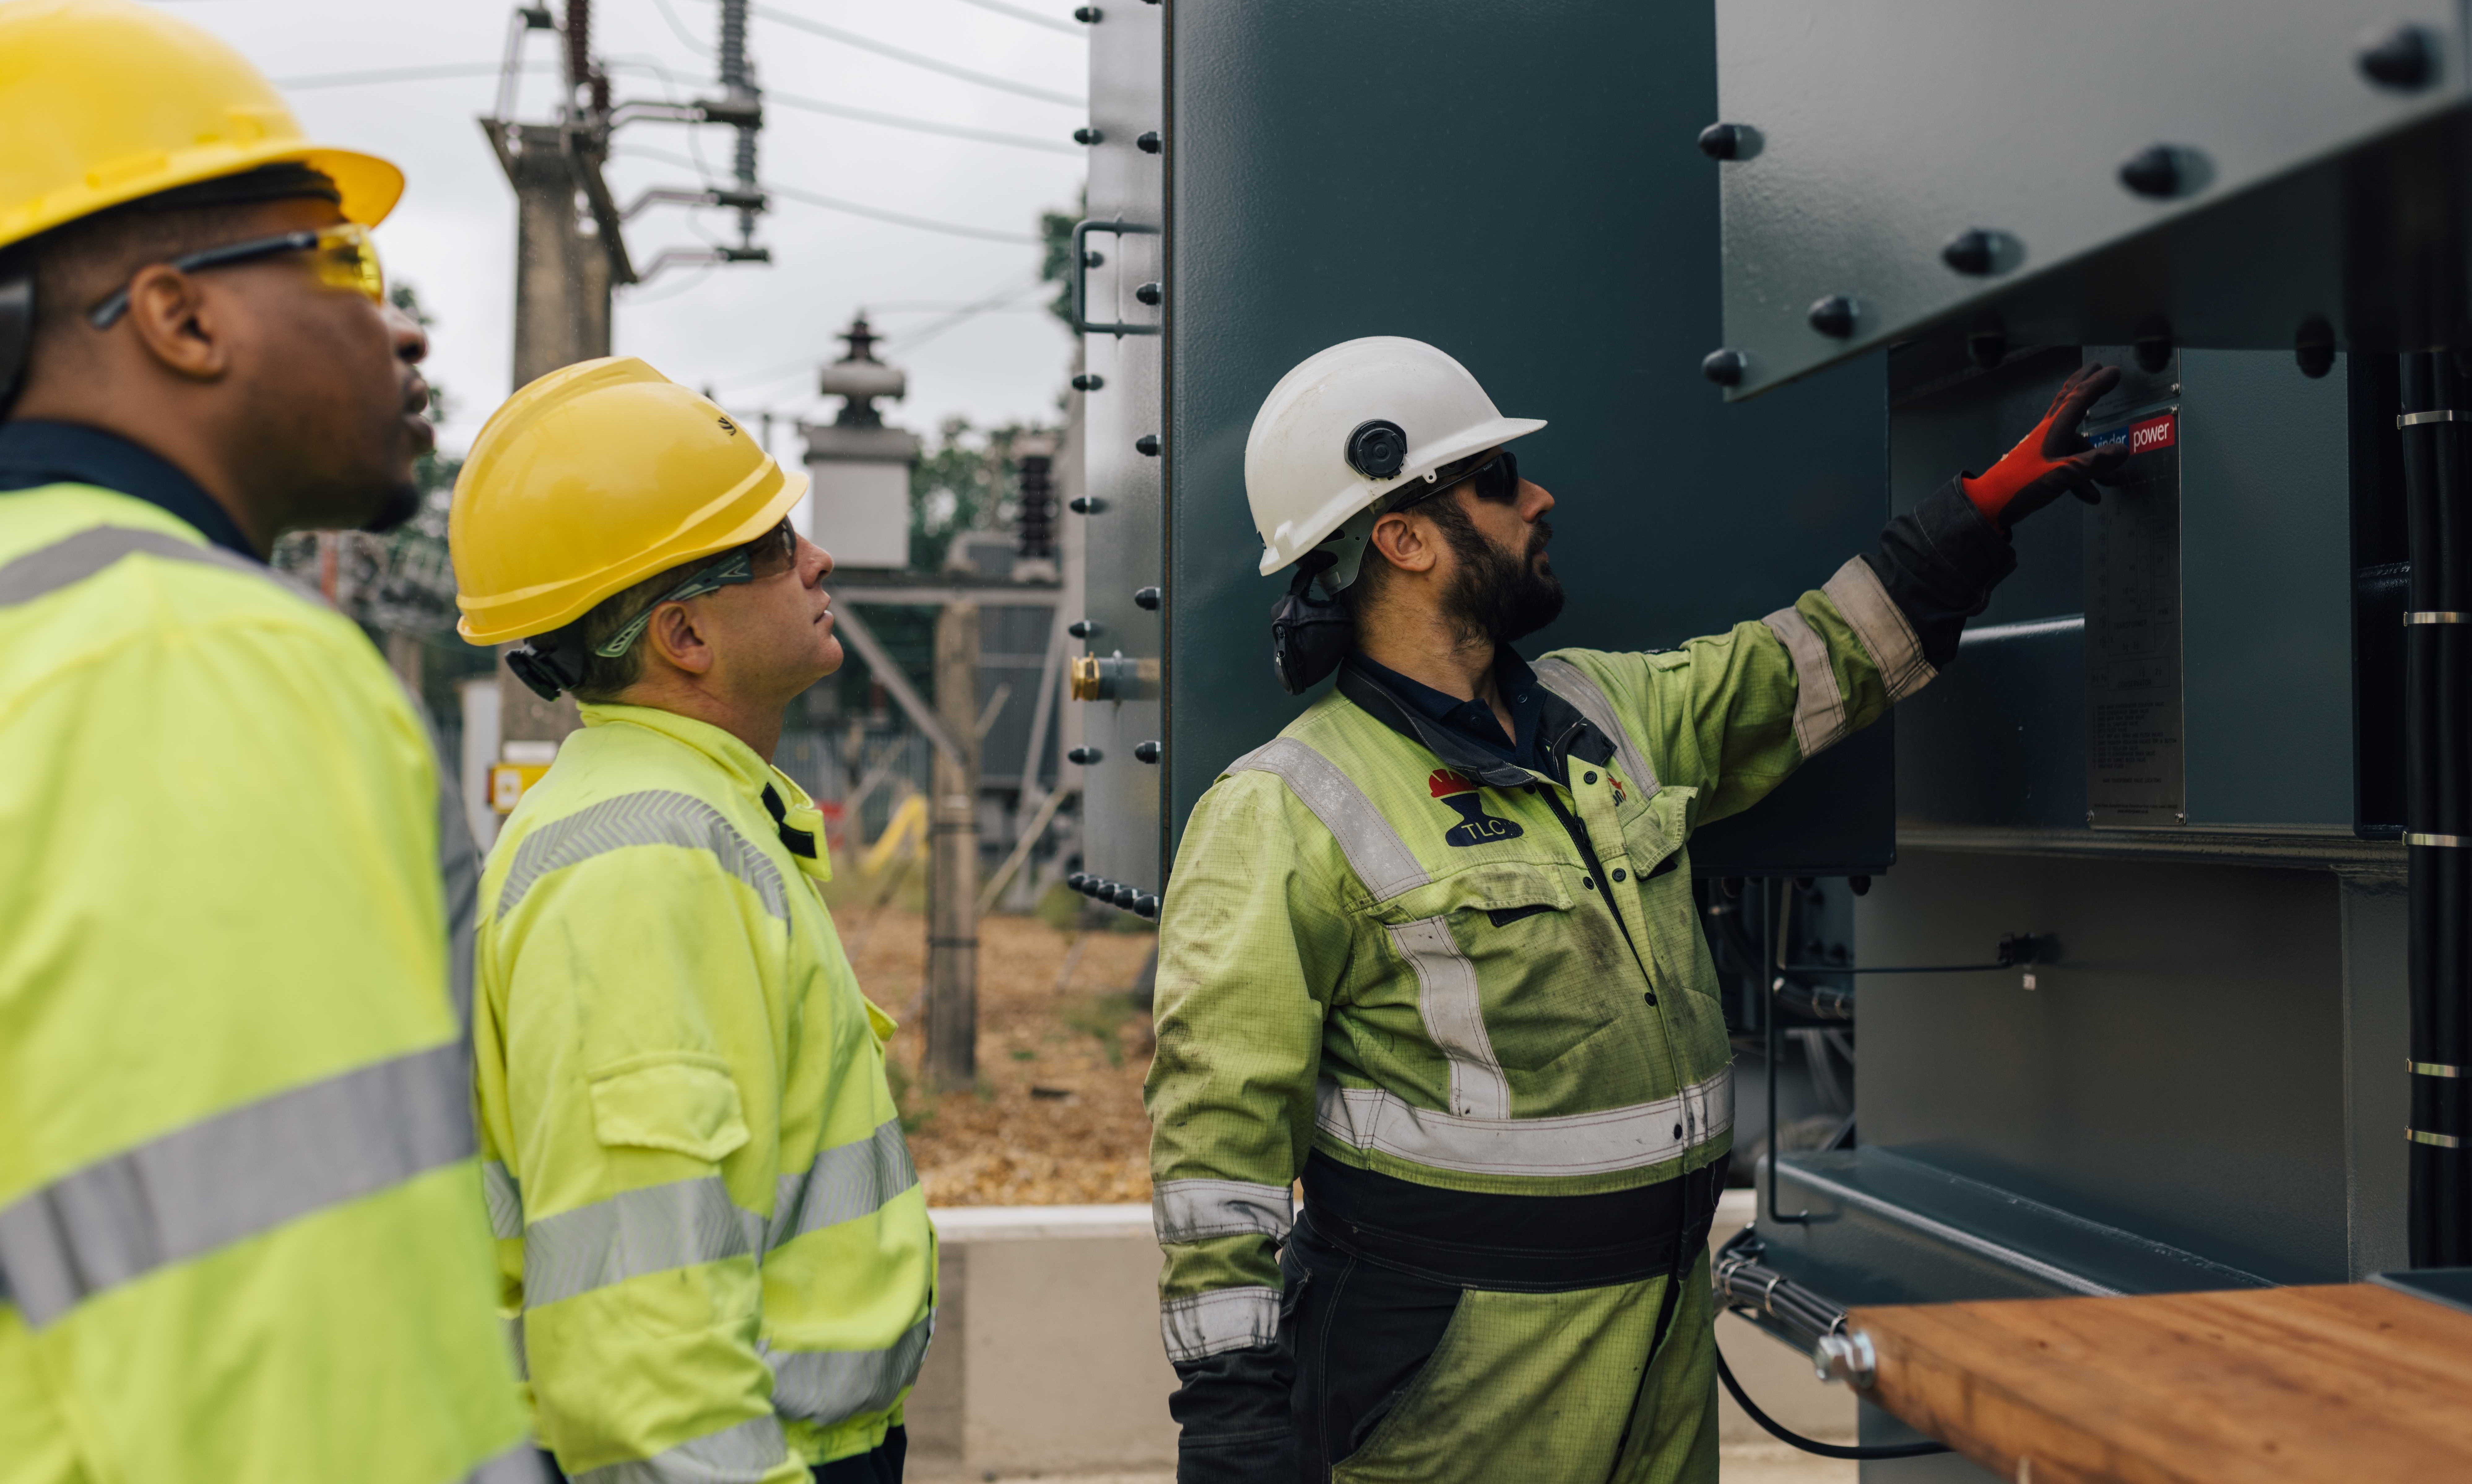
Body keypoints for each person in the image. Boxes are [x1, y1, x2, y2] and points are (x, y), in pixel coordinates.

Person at [1144, 335, 2126, 1482]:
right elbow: (1216, 1130)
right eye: (1497, 481)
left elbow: (1806, 664)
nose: (1540, 496)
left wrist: (1989, 504)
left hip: (1654, 1334)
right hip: (1452, 1374)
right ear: (1404, 540)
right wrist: (1231, 1414)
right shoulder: (1284, 805)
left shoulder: (1600, 712)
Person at [0, 2, 536, 1481]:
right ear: (178, 316)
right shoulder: (188, 654)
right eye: (343, 262)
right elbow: (285, 1355)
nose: (402, 323)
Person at [449, 357, 937, 1484]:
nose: (815, 559)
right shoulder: (639, 859)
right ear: (684, 635)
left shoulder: (686, 816)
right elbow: (639, 1334)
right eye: (773, 549)